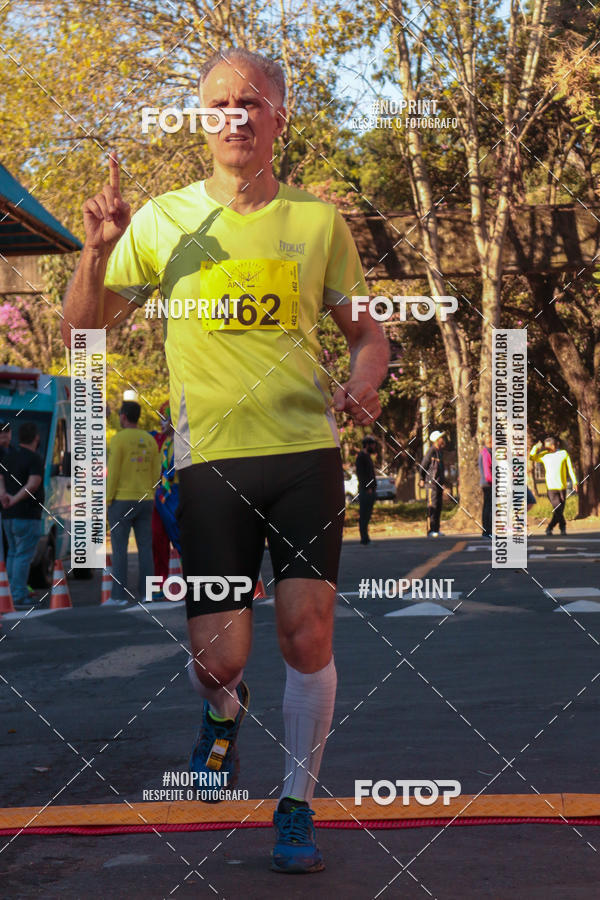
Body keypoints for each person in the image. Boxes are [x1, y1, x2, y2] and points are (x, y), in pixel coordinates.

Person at [62, 47, 389, 873]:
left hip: (305, 453)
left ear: (279, 115)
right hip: (210, 464)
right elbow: (84, 334)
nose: (235, 116)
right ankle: (222, 712)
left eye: (252, 101)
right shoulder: (165, 222)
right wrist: (99, 248)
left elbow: (369, 334)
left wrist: (362, 384)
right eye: (218, 104)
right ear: (201, 120)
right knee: (221, 657)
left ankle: (295, 805)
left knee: (306, 634)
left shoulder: (318, 223)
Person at [106, 401, 161, 604]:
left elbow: (114, 472)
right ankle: (148, 594)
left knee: (119, 548)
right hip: (146, 499)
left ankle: (119, 596)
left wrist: (108, 498)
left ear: (123, 416)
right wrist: (151, 492)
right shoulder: (150, 440)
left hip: (121, 498)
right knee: (145, 548)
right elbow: (157, 472)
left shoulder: (119, 440)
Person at [0, 422, 44, 607]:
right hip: (26, 514)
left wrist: (4, 497)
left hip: (8, 515)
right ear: (36, 438)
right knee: (23, 556)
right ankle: (18, 595)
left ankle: (9, 591)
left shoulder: (9, 457)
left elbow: (0, 479)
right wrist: (15, 499)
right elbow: (33, 484)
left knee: (13, 554)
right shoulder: (35, 459)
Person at [149, 401, 178, 601]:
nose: (161, 423)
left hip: (177, 495)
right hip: (161, 497)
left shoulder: (183, 441)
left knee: (182, 541)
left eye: (164, 419)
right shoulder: (163, 442)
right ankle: (161, 584)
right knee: (157, 541)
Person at [530, 436, 577, 535]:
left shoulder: (563, 453)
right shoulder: (544, 455)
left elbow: (570, 469)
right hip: (551, 488)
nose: (546, 449)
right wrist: (536, 447)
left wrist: (575, 481)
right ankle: (563, 527)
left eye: (548, 447)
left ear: (554, 445)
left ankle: (549, 528)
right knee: (558, 509)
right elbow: (532, 457)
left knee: (558, 511)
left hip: (562, 487)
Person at [419, 430, 446, 537]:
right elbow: (423, 466)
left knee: (438, 506)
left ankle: (436, 528)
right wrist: (422, 478)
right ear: (436, 440)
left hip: (438, 483)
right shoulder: (431, 451)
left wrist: (443, 482)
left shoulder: (440, 452)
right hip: (431, 484)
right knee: (432, 506)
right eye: (441, 438)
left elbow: (441, 469)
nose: (442, 440)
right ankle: (431, 530)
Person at [356, 436, 377, 544]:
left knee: (367, 515)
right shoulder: (361, 457)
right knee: (364, 515)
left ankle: (366, 537)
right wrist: (368, 487)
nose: (374, 447)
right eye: (372, 444)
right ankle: (364, 538)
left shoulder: (367, 456)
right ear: (367, 445)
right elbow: (362, 475)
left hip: (371, 490)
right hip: (365, 491)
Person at [0, 420, 12, 564]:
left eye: (6, 430)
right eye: (0, 431)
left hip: (12, 505)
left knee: (10, 546)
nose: (3, 433)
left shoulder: (14, 451)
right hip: (2, 504)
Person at [479, 432, 493, 537]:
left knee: (489, 507)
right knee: (488, 508)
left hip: (489, 483)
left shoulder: (489, 452)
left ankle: (488, 529)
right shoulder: (486, 453)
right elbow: (487, 471)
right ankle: (487, 530)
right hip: (488, 484)